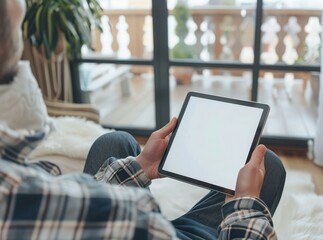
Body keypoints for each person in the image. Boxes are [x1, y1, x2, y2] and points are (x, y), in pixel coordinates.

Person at [0, 0, 286, 239]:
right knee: (268, 164)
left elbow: (86, 202)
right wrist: (244, 206)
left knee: (116, 141)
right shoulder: (133, 216)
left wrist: (140, 167)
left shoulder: (22, 183)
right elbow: (108, 212)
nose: (21, 6)